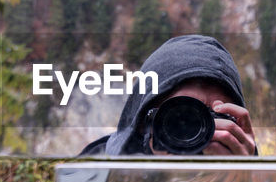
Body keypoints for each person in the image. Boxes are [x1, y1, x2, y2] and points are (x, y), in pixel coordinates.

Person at [80, 34, 257, 156]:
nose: (196, 132)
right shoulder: (89, 178)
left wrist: (245, 180)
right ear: (143, 122)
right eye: (181, 118)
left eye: (216, 117)